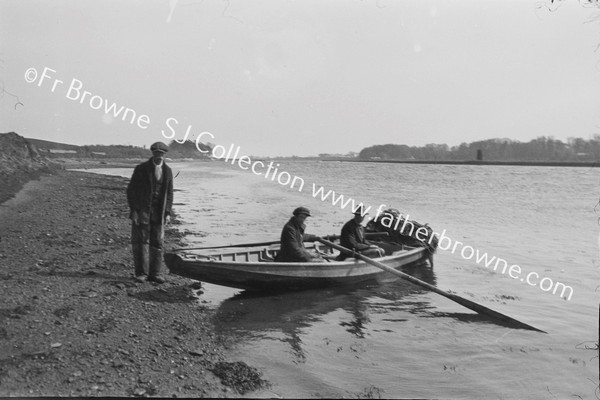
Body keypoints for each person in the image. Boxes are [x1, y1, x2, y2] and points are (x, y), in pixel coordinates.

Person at [126, 141, 174, 283]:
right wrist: (134, 210)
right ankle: (141, 273)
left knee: (157, 242)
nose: (159, 156)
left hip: (159, 212)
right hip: (142, 210)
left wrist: (167, 212)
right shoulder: (141, 169)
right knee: (141, 242)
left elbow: (170, 194)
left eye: (161, 154)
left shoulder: (168, 171)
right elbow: (131, 190)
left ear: (165, 155)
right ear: (152, 153)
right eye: (156, 153)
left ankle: (156, 273)